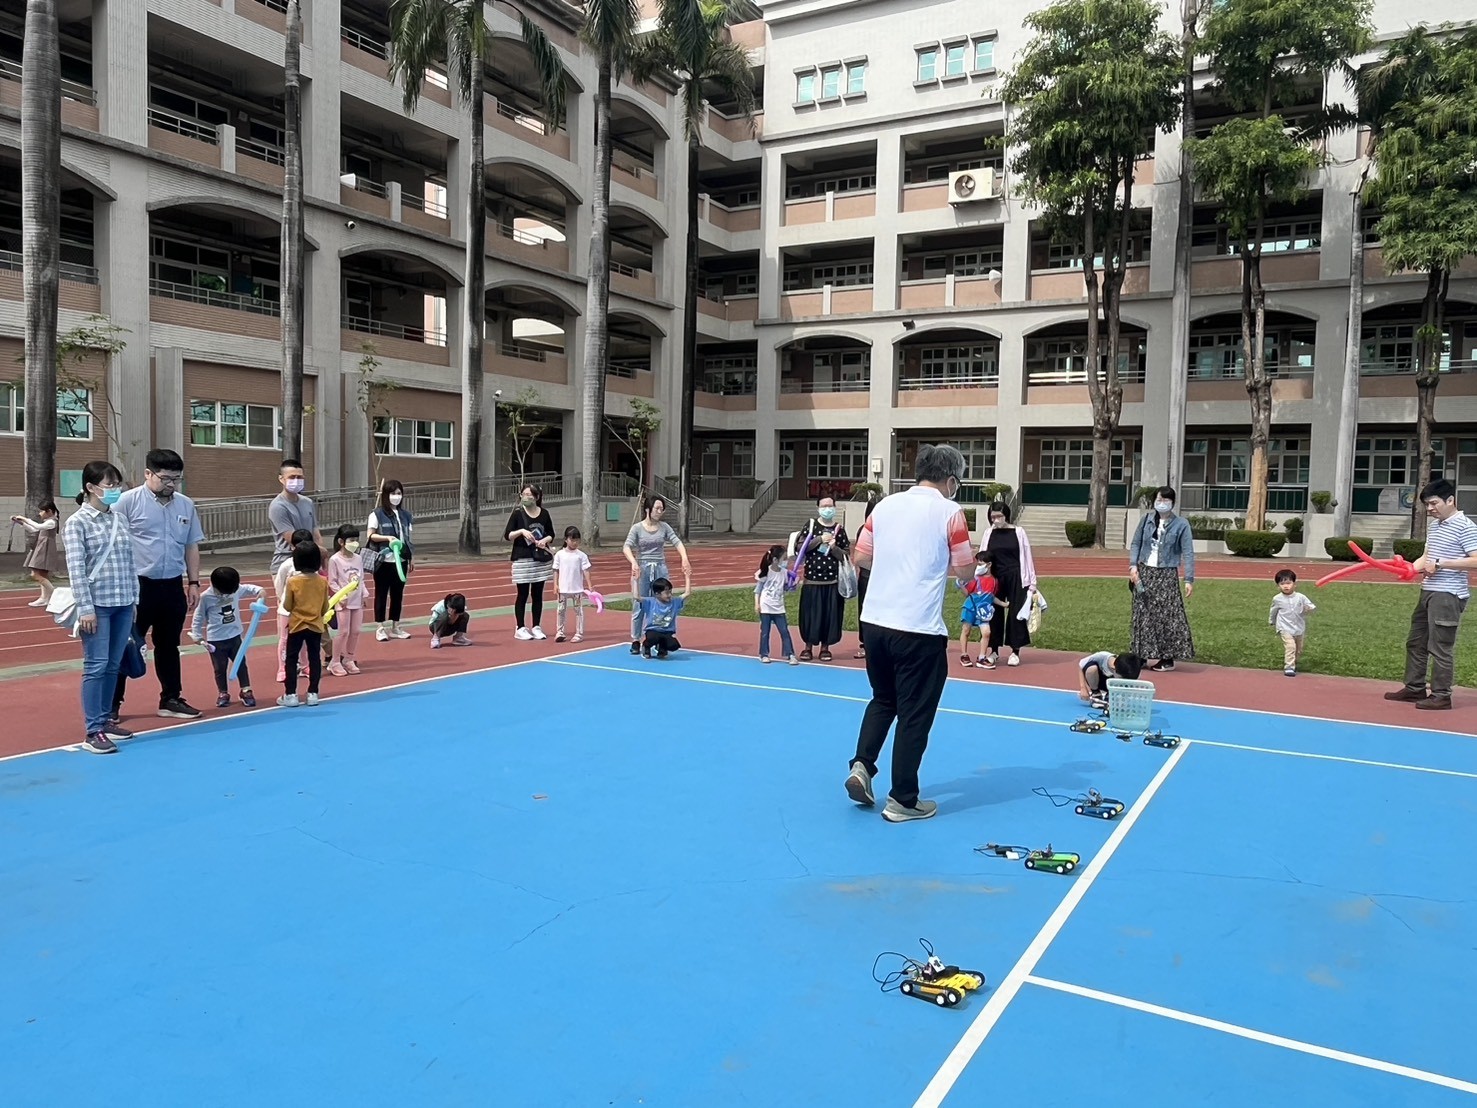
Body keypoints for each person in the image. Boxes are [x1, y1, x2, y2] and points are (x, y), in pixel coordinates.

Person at [845, 444, 975, 822]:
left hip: (875, 620)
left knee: (884, 699)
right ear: (950, 480)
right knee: (915, 713)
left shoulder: (884, 506)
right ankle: (903, 798)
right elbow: (965, 569)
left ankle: (862, 765)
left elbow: (862, 556)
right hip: (918, 626)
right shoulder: (950, 512)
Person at [112, 448, 205, 721]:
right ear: (148, 474)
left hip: (172, 585)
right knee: (125, 644)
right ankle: (112, 703)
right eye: (165, 478)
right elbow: (115, 546)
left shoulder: (185, 504)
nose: (171, 484)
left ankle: (171, 698)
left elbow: (191, 545)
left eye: (176, 479)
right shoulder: (126, 502)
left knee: (168, 646)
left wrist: (194, 582)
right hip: (138, 586)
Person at [63, 461, 138, 754]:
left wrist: (135, 600)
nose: (115, 490)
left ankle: (105, 720)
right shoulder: (77, 523)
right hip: (97, 605)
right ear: (91, 488)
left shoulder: (119, 519)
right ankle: (93, 729)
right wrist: (85, 607)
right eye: (109, 485)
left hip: (123, 602)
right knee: (95, 665)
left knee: (113, 664)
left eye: (117, 485)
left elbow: (130, 563)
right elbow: (76, 569)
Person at [1385, 479, 1477, 710]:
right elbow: (1427, 557)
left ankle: (1441, 695)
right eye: (1427, 505)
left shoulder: (1466, 527)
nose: (1430, 509)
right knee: (1416, 642)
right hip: (1428, 591)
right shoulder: (1436, 526)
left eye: (1434, 503)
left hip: (1448, 594)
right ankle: (1415, 687)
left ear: (1450, 500)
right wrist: (1410, 569)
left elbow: (1475, 560)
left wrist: (1441, 563)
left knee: (1440, 647)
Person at [268, 459, 325, 683]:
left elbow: (315, 530)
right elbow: (292, 538)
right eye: (292, 477)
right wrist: (313, 552)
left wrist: (321, 555)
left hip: (311, 564)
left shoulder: (308, 502)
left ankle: (307, 663)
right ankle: (285, 664)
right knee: (287, 616)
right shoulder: (277, 506)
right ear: (281, 479)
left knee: (309, 616)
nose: (296, 481)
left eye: (299, 477)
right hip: (286, 563)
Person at [1128, 486, 1195, 672]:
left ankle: (1167, 657)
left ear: (1173, 503)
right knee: (1142, 615)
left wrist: (1188, 579)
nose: (1162, 503)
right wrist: (1133, 566)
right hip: (1145, 572)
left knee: (1167, 616)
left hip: (1166, 574)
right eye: (1159, 499)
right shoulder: (1147, 520)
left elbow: (1188, 552)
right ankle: (1141, 655)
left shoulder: (1181, 524)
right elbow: (1136, 543)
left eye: (1166, 500)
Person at [189, 566, 264, 708]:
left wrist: (260, 591)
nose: (228, 595)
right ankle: (223, 692)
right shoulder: (206, 597)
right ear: (215, 586)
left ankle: (246, 690)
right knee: (219, 668)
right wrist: (197, 635)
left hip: (235, 636)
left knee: (241, 664)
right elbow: (198, 617)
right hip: (216, 640)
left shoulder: (234, 590)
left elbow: (248, 588)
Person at [625, 495, 691, 654]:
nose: (660, 512)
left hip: (660, 568)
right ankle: (636, 639)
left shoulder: (665, 527)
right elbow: (626, 547)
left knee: (663, 603)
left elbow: (677, 542)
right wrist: (634, 562)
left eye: (662, 509)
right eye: (657, 508)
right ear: (648, 509)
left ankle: (661, 639)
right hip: (642, 568)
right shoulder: (637, 528)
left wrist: (684, 558)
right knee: (639, 604)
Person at [977, 501, 1037, 667]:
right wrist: (980, 576)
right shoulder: (988, 533)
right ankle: (994, 650)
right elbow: (982, 555)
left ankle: (1015, 650)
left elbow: (1026, 555)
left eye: (999, 516)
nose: (996, 520)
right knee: (992, 612)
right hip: (994, 577)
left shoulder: (1018, 532)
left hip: (1016, 575)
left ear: (1006, 515)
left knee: (1016, 612)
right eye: (993, 517)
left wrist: (1032, 581)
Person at [793, 496, 850, 661]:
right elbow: (800, 549)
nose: (827, 509)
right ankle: (808, 647)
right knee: (811, 614)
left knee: (829, 615)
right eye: (824, 506)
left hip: (832, 581)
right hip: (812, 581)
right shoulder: (811, 526)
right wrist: (818, 540)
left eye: (830, 506)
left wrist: (833, 547)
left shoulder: (839, 529)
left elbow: (845, 555)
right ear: (818, 507)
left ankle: (825, 648)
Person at [277, 540, 329, 707]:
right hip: (315, 626)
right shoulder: (322, 581)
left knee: (291, 659)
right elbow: (325, 606)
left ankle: (290, 694)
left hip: (297, 625)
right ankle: (313, 693)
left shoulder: (293, 581)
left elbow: (287, 605)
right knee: (315, 658)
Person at [504, 483, 556, 640]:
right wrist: (521, 531)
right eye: (524, 494)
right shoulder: (517, 514)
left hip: (539, 559)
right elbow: (508, 535)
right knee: (522, 594)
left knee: (538, 594)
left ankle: (536, 626)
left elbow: (551, 534)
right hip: (522, 558)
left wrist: (544, 541)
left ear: (537, 497)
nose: (526, 497)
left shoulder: (544, 514)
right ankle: (520, 627)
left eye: (530, 495)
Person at [367, 479, 414, 641]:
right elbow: (370, 535)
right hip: (383, 561)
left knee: (397, 595)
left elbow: (408, 538)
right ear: (386, 495)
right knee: (381, 594)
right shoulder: (377, 514)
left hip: (400, 561)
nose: (396, 496)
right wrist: (387, 537)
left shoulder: (406, 515)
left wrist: (410, 558)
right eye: (393, 493)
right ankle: (380, 627)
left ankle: (396, 626)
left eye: (399, 493)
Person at [327, 524, 366, 676]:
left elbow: (361, 578)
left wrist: (365, 594)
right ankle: (335, 661)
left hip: (357, 600)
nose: (354, 543)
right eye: (351, 540)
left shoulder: (358, 558)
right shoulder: (334, 559)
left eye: (356, 539)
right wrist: (340, 595)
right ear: (341, 542)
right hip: (342, 601)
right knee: (343, 631)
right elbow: (332, 581)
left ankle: (349, 659)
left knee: (355, 631)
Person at [754, 543, 798, 665]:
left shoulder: (784, 572)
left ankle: (790, 654)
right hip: (766, 606)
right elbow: (758, 590)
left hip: (779, 607)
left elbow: (786, 588)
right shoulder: (765, 572)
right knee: (765, 632)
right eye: (783, 559)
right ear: (775, 560)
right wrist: (757, 604)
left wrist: (793, 584)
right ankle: (764, 654)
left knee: (784, 631)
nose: (785, 562)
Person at [1269, 569, 1317, 678]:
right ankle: (1289, 667)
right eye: (1282, 584)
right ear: (1278, 586)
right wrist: (1272, 621)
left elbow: (1311, 606)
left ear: (1294, 584)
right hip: (1284, 627)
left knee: (1298, 649)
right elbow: (1273, 611)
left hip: (1299, 627)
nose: (1286, 586)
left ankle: (1294, 662)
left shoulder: (1301, 597)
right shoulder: (1277, 599)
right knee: (1290, 646)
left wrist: (1308, 609)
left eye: (1288, 583)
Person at [553, 526, 592, 643]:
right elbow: (556, 570)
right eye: (572, 540)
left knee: (578, 611)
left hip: (577, 590)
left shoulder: (581, 555)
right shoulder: (559, 554)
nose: (575, 543)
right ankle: (560, 632)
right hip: (563, 590)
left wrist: (590, 585)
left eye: (577, 540)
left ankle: (579, 633)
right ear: (566, 540)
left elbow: (586, 571)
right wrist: (555, 585)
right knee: (561, 610)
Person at [639, 575, 691, 659]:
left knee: (674, 645)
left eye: (670, 592)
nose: (670, 595)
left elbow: (687, 593)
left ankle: (662, 648)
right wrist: (636, 580)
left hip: (667, 632)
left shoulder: (674, 602)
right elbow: (636, 597)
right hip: (653, 630)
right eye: (666, 593)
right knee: (653, 638)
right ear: (657, 594)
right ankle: (646, 646)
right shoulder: (650, 602)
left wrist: (687, 576)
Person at [1077, 650, 1145, 706]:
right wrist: (1083, 688)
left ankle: (1111, 695)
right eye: (1122, 678)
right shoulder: (1101, 656)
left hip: (1113, 685)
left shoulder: (1131, 668)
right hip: (1098, 679)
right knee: (1091, 669)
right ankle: (1096, 694)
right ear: (1114, 669)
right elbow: (1081, 664)